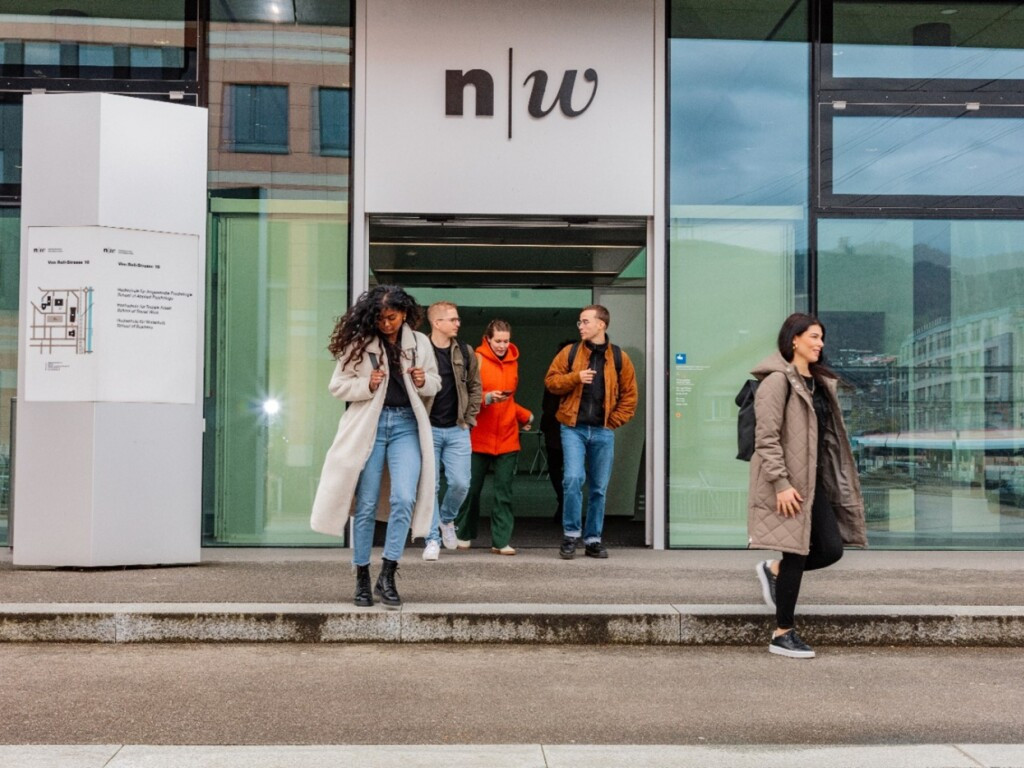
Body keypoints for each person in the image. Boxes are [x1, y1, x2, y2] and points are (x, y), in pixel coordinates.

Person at [310, 285, 440, 609]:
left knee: (404, 498)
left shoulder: (419, 343)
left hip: (406, 425)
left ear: (405, 314)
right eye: (380, 318)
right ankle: (362, 576)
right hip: (369, 425)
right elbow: (337, 385)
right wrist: (366, 385)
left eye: (392, 317)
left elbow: (436, 382)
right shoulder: (360, 343)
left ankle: (389, 572)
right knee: (366, 504)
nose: (386, 324)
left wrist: (424, 381)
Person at [748, 312, 867, 658]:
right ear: (794, 340)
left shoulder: (817, 382)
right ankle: (782, 633)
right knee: (797, 553)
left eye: (821, 338)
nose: (820, 344)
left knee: (831, 549)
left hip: (815, 481)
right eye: (814, 337)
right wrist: (781, 483)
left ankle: (773, 570)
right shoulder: (776, 382)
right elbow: (766, 438)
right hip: (788, 484)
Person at [544, 305, 638, 560]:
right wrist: (575, 377)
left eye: (585, 322)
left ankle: (593, 538)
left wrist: (612, 421)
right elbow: (551, 382)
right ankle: (571, 535)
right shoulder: (570, 353)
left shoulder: (620, 358)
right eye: (579, 322)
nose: (581, 326)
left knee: (599, 487)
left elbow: (630, 396)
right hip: (572, 428)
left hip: (602, 431)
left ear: (601, 325)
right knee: (573, 479)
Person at [455, 319, 533, 555]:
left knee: (504, 493)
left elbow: (508, 400)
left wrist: (525, 416)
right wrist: (487, 398)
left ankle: (501, 541)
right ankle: (463, 534)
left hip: (508, 436)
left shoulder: (513, 363)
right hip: (478, 434)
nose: (502, 345)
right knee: (471, 489)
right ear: (487, 339)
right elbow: (465, 396)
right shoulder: (475, 359)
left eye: (506, 341)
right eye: (498, 341)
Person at [422, 301, 482, 561]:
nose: (458, 323)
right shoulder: (419, 351)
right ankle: (431, 540)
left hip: (458, 428)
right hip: (428, 429)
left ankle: (446, 519)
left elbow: (475, 388)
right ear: (437, 323)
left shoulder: (466, 352)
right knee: (430, 486)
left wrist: (469, 419)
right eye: (453, 319)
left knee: (460, 483)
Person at [541, 338, 577, 524]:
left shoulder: (557, 377)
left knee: (559, 467)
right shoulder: (559, 377)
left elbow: (545, 404)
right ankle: (565, 502)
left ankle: (564, 501)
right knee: (568, 468)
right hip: (558, 427)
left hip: (559, 427)